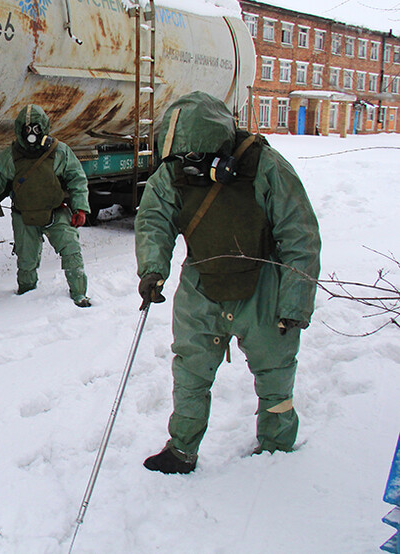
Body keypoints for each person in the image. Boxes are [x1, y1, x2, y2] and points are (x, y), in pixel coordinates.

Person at [135, 91, 321, 474]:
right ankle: (182, 449)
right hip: (202, 282)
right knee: (190, 370)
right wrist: (152, 268)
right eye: (182, 157)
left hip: (262, 285)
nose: (189, 165)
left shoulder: (264, 165)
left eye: (195, 157)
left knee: (275, 370)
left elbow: (299, 233)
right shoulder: (174, 170)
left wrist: (295, 302)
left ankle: (276, 446)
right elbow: (154, 217)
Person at [0, 104, 92, 306]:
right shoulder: (11, 155)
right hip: (24, 216)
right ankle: (25, 299)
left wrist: (80, 208)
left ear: (44, 128)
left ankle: (79, 294)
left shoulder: (59, 151)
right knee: (26, 262)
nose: (32, 133)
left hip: (55, 213)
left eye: (36, 128)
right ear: (20, 130)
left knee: (72, 252)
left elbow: (77, 179)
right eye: (27, 129)